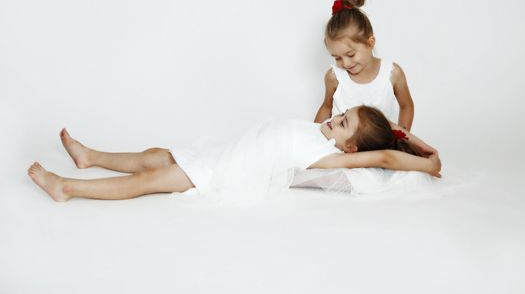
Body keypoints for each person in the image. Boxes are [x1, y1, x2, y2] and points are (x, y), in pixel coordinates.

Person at [27, 106, 441, 203]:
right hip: (220, 153)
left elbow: (384, 157)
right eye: (343, 114)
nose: (336, 117)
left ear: (351, 148)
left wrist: (427, 161)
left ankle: (66, 187)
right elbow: (388, 138)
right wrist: (406, 134)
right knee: (155, 154)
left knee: (147, 181)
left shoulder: (332, 158)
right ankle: (91, 156)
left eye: (345, 123)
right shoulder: (320, 130)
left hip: (223, 176)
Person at [314, 0, 415, 131]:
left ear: (370, 42)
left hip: (378, 148)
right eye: (337, 58)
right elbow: (326, 107)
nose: (346, 63)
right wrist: (313, 137)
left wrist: (402, 137)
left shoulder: (392, 73)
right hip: (341, 148)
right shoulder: (334, 77)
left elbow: (406, 106)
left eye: (350, 55)